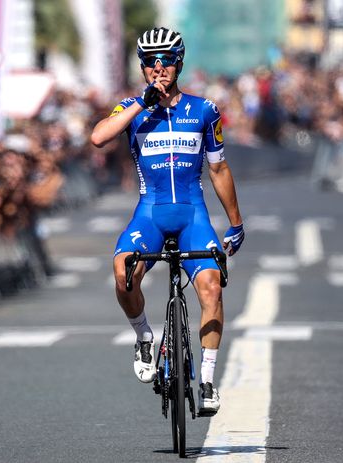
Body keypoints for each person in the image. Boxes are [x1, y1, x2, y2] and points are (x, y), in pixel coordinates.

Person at [90, 27, 244, 416]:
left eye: (167, 61)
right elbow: (98, 137)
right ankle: (144, 335)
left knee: (211, 287)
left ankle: (207, 380)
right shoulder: (130, 108)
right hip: (151, 214)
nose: (159, 69)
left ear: (179, 63)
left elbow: (219, 168)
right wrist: (141, 104)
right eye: (150, 63)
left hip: (192, 213)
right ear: (142, 68)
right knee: (123, 272)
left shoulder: (204, 111)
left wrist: (236, 223)